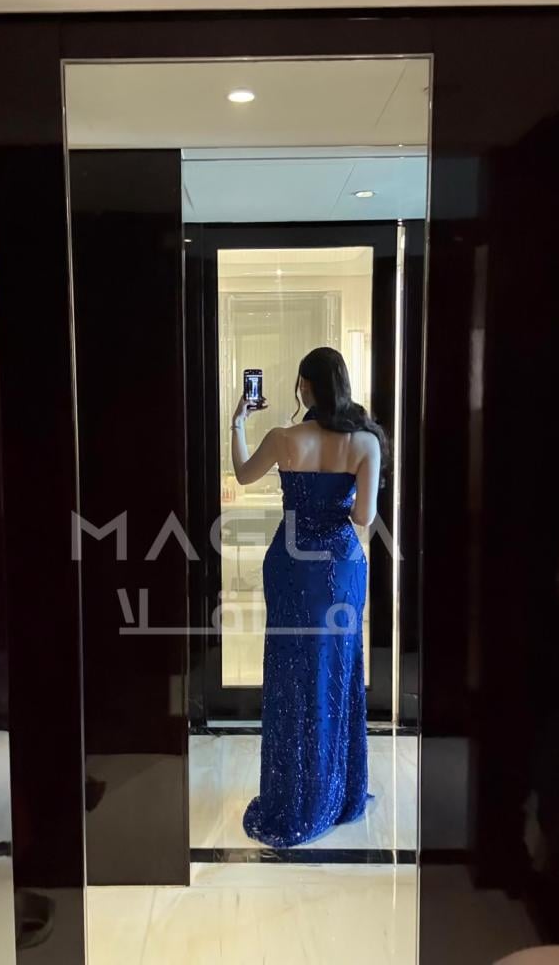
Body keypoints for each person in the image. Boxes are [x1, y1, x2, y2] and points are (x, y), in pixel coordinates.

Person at [230, 346, 386, 847]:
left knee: (291, 675)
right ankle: (336, 790)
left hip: (292, 566)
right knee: (335, 672)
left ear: (305, 386)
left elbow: (243, 473)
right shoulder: (365, 442)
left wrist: (238, 422)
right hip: (339, 568)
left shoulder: (283, 438)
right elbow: (363, 518)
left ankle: (292, 793)